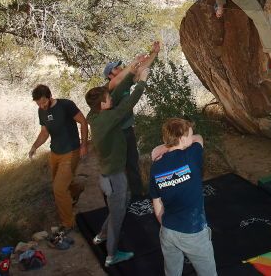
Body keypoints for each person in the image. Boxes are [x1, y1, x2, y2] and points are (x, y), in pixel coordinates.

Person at [85, 67, 150, 267]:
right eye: (108, 98)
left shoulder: (94, 114)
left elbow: (117, 91)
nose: (111, 98)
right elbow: (129, 104)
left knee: (121, 203)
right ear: (102, 104)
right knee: (118, 214)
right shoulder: (108, 118)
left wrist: (130, 75)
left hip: (108, 175)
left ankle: (101, 236)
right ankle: (112, 255)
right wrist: (142, 82)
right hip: (114, 177)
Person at [150, 119, 216, 276]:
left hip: (168, 231)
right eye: (189, 134)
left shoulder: (156, 167)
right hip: (193, 231)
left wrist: (165, 223)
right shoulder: (192, 155)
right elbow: (199, 138)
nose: (192, 136)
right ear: (183, 138)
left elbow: (156, 201)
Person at [103, 40, 160, 199]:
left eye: (119, 66)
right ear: (110, 75)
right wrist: (134, 62)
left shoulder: (126, 82)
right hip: (114, 134)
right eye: (116, 68)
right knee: (118, 167)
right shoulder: (109, 87)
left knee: (132, 163)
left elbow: (141, 70)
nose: (120, 68)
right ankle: (117, 197)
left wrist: (154, 53)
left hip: (127, 130)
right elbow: (122, 77)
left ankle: (137, 195)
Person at [28, 84, 88, 233]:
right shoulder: (41, 111)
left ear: (50, 97)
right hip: (55, 153)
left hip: (71, 152)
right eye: (38, 103)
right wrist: (34, 146)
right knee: (60, 184)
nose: (41, 106)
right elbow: (44, 132)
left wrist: (84, 145)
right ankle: (78, 188)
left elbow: (83, 122)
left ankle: (68, 223)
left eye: (43, 102)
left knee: (59, 189)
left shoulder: (66, 105)